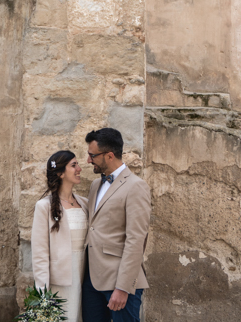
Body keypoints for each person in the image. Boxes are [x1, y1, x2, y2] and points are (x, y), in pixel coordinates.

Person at [82, 128, 151, 322]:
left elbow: (136, 239)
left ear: (109, 155)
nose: (88, 160)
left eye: (92, 155)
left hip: (120, 282)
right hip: (91, 281)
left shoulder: (136, 186)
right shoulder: (96, 185)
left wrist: (123, 287)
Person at [31, 150, 89, 322]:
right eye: (74, 165)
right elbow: (40, 254)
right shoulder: (44, 206)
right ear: (60, 173)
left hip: (85, 276)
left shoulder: (85, 203)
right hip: (60, 282)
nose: (79, 169)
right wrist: (42, 294)